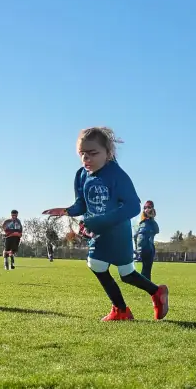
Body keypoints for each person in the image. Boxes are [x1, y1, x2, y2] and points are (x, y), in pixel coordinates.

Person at [45, 127, 169, 322]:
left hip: (117, 232)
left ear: (108, 152)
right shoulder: (81, 175)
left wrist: (99, 221)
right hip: (97, 233)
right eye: (82, 154)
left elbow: (133, 207)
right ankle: (121, 310)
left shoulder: (116, 175)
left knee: (126, 273)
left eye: (93, 153)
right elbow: (81, 204)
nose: (86, 158)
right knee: (95, 264)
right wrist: (67, 210)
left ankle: (156, 292)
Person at [134, 200, 160, 279]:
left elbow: (157, 230)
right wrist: (137, 249)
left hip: (149, 249)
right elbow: (135, 236)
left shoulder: (152, 223)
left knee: (146, 270)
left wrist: (152, 218)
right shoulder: (141, 222)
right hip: (141, 250)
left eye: (149, 207)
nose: (147, 209)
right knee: (144, 270)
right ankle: (145, 284)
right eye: (145, 207)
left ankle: (146, 285)